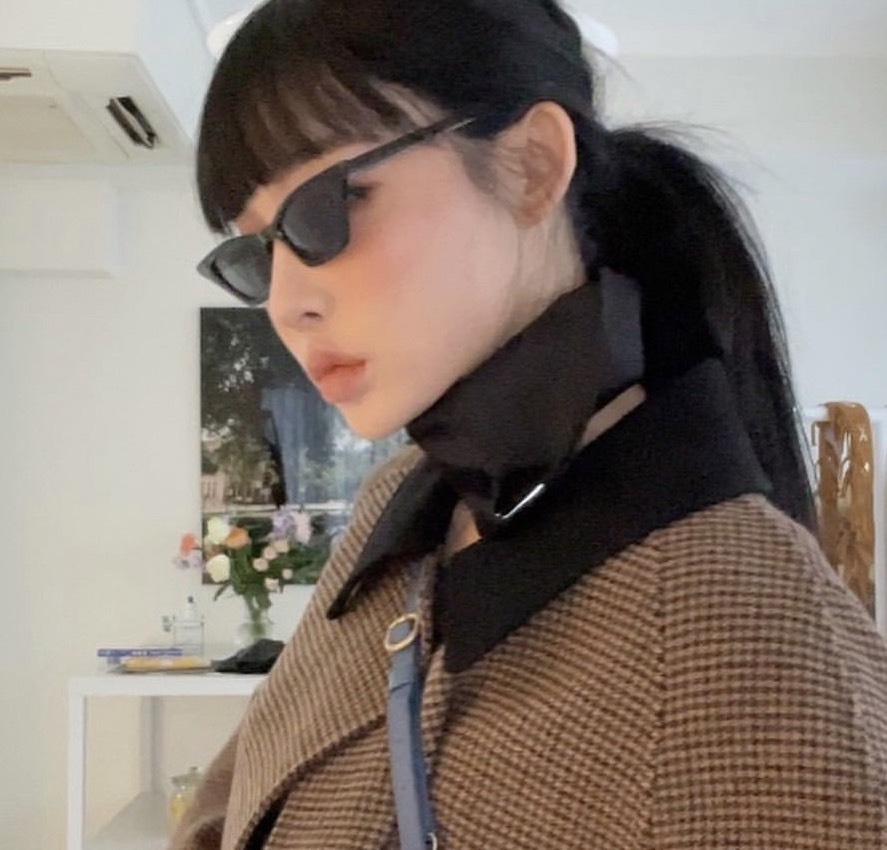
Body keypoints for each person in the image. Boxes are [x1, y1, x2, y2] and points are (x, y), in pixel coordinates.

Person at [173, 1, 887, 848]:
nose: (286, 304)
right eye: (255, 254)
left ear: (530, 166)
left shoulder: (764, 657)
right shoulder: (403, 504)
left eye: (327, 209)